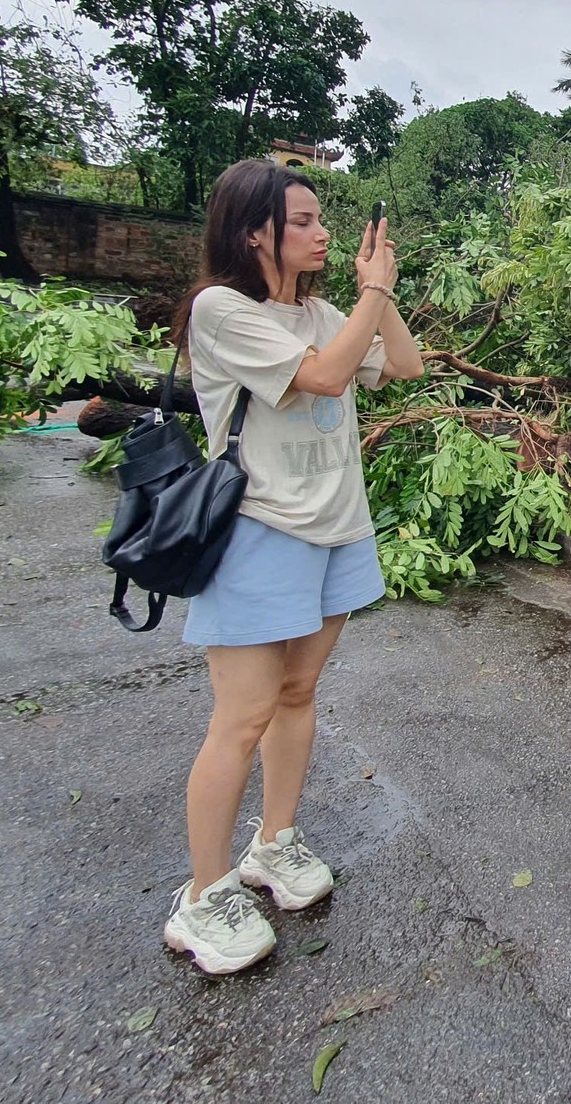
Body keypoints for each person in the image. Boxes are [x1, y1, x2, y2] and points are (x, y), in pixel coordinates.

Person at [160, 160, 425, 974]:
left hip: (337, 531)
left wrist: (378, 292)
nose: (322, 232)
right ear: (254, 231)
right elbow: (323, 376)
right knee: (240, 717)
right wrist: (370, 297)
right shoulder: (221, 309)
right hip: (258, 532)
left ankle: (273, 844)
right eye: (304, 220)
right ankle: (202, 899)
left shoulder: (319, 310)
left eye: (322, 219)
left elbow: (403, 368)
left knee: (298, 694)